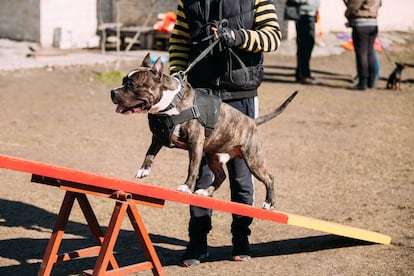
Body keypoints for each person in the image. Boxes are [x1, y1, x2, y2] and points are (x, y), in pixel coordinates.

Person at [168, 0, 282, 267]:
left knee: (242, 174)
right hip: (200, 95)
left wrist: (239, 36)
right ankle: (197, 241)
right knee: (199, 171)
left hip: (240, 94)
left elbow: (273, 37)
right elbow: (179, 43)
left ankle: (241, 237)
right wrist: (177, 78)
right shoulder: (188, 2)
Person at [344, 0, 382, 90]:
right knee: (370, 52)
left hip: (361, 24)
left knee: (362, 54)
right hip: (373, 23)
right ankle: (371, 80)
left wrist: (347, 14)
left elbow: (353, 6)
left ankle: (363, 82)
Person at [287, 0, 320, 85]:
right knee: (304, 46)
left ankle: (301, 73)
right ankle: (304, 75)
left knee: (308, 44)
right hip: (303, 15)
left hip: (310, 13)